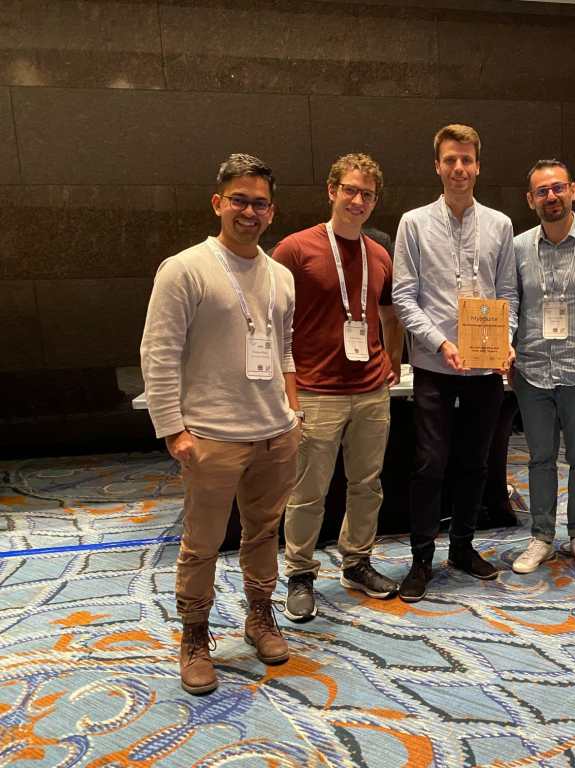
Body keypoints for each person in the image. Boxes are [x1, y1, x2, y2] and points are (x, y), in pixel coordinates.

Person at [140, 153, 300, 695]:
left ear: (272, 211)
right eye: (239, 200)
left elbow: (285, 350)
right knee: (201, 544)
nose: (249, 212)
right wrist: (173, 430)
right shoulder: (184, 269)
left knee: (265, 533)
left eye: (260, 203)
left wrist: (293, 414)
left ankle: (260, 616)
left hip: (275, 433)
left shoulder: (280, 276)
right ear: (218, 203)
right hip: (211, 436)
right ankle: (194, 636)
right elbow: (159, 353)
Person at [273, 153, 405, 621]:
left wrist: (392, 357)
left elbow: (390, 312)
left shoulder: (379, 254)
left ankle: (356, 562)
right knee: (309, 491)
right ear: (332, 191)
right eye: (350, 190)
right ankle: (300, 573)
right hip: (316, 390)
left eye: (367, 194)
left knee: (367, 485)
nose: (358, 200)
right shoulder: (295, 250)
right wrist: (286, 389)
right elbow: (273, 320)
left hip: (370, 390)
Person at [392, 124, 517, 602]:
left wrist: (506, 341)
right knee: (429, 464)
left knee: (475, 462)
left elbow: (508, 295)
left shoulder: (500, 224)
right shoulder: (413, 223)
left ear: (478, 166)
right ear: (437, 166)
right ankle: (421, 558)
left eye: (466, 159)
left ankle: (463, 547)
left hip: (485, 369)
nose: (459, 168)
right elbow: (404, 297)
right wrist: (440, 342)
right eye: (450, 160)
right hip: (434, 365)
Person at [510, 159, 575, 575]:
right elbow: (510, 303)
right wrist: (504, 345)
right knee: (539, 458)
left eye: (557, 188)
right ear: (530, 199)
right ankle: (541, 536)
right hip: (532, 370)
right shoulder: (518, 247)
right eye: (542, 191)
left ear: (572, 191)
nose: (551, 196)